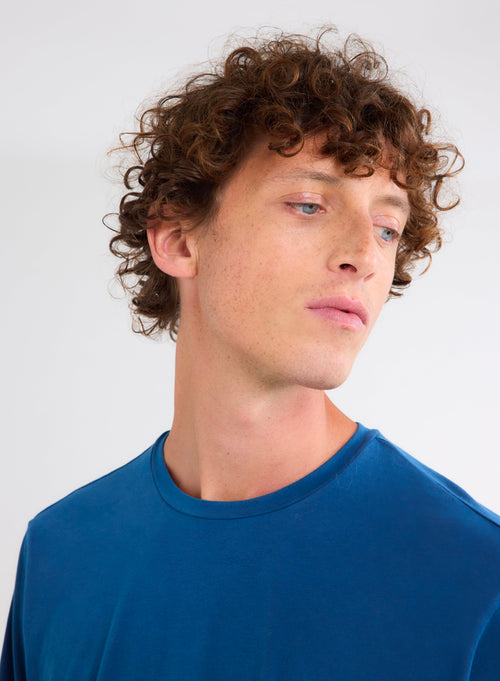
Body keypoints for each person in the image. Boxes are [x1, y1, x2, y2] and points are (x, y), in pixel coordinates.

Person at [1, 28, 499, 681]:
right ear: (178, 239)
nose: (365, 254)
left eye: (387, 226)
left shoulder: (478, 576)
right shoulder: (59, 552)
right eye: (309, 204)